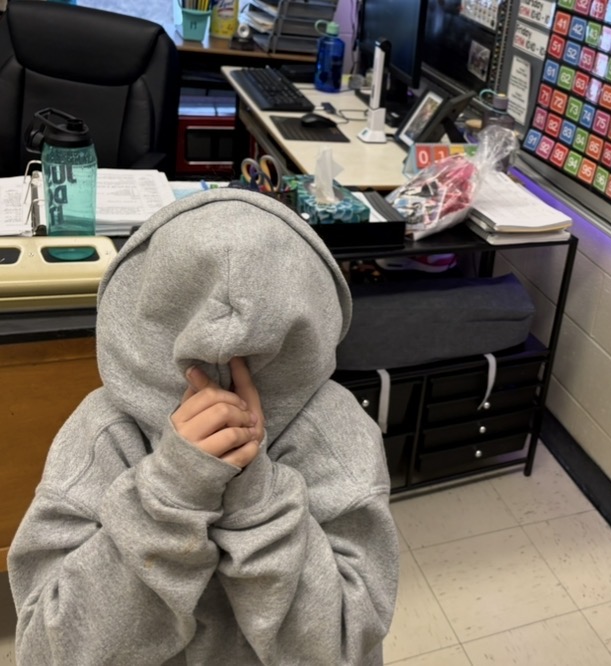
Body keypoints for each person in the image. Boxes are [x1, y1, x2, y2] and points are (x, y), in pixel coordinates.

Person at [8, 189, 400, 664]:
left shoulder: (336, 432)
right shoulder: (105, 433)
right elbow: (45, 652)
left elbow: (342, 648)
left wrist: (255, 494)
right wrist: (171, 492)